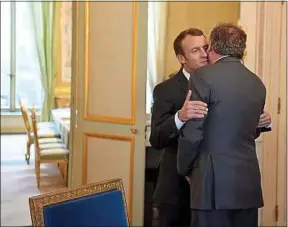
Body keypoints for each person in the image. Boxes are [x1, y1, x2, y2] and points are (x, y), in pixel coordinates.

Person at [150, 27, 271, 227]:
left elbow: (234, 129)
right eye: (195, 50)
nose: (204, 54)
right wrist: (180, 117)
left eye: (205, 47)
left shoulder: (228, 81)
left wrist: (260, 122)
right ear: (181, 58)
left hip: (215, 185)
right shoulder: (165, 89)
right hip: (176, 188)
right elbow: (156, 138)